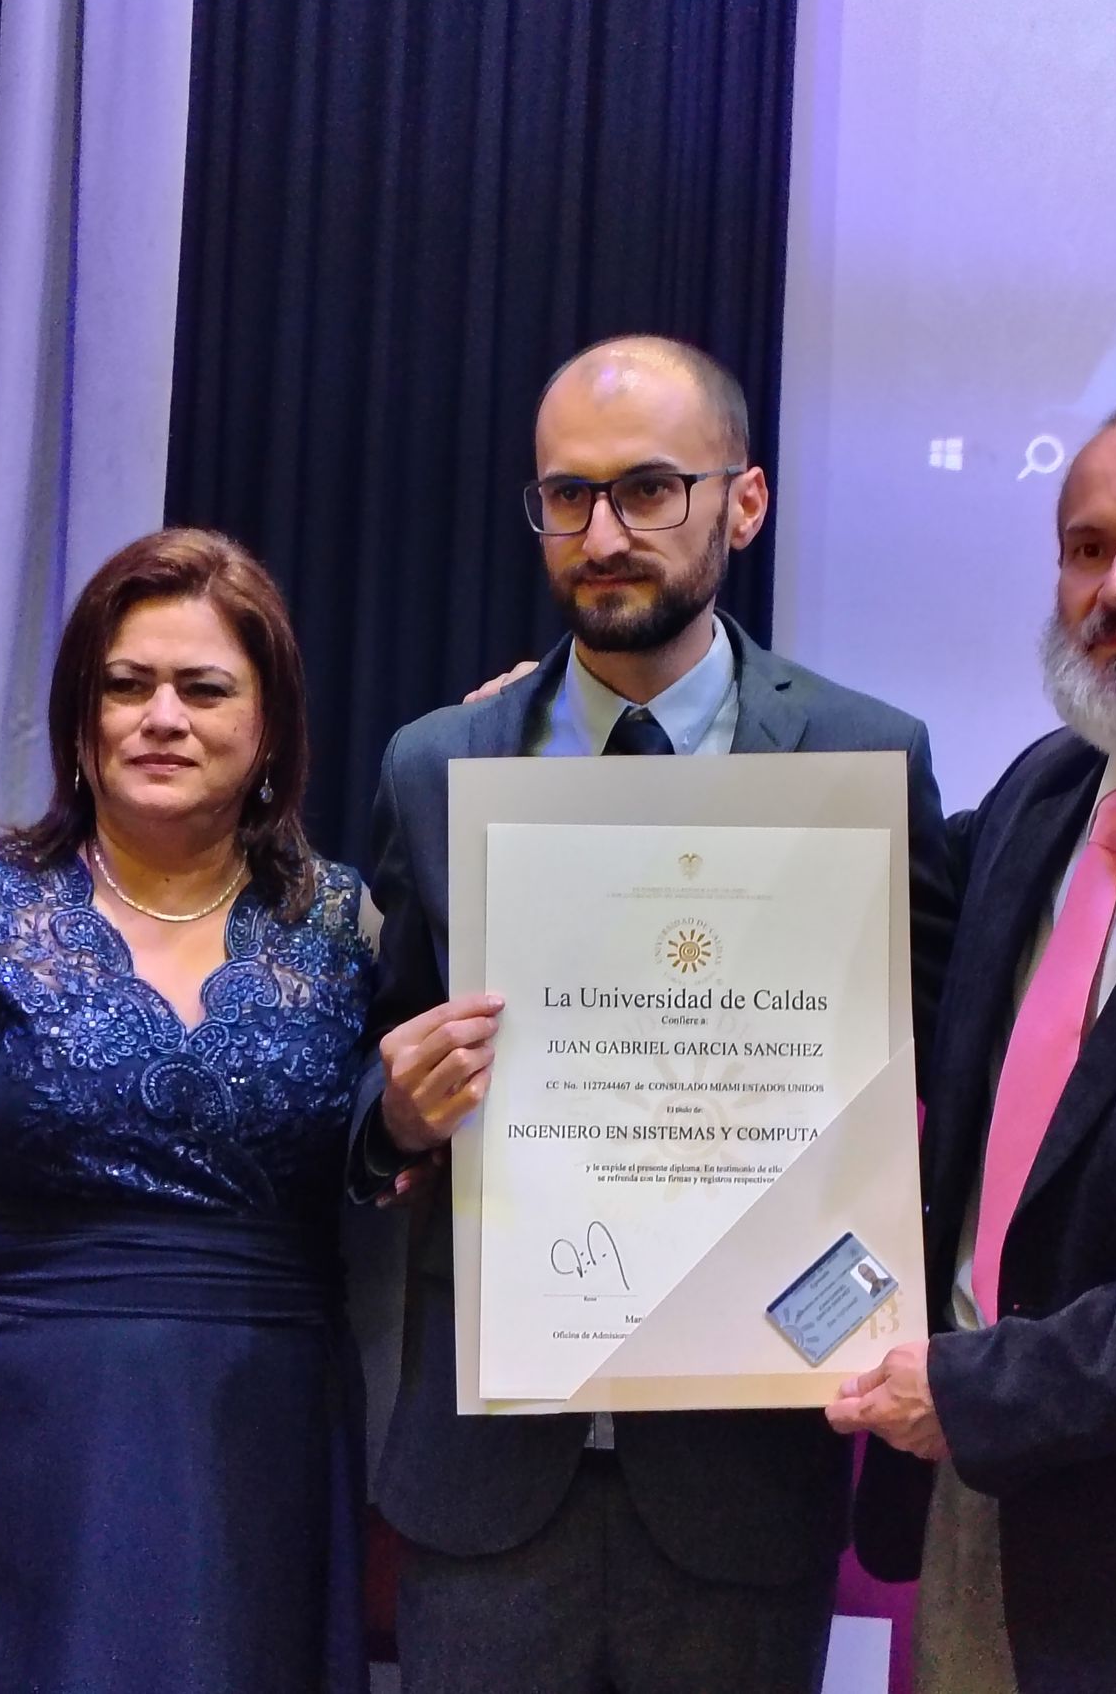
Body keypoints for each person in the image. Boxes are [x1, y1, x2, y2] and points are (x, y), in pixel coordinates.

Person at [352, 335, 955, 1693]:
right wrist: (394, 1113)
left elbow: (932, 1068)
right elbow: (371, 1074)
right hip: (488, 1478)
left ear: (743, 502)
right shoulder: (437, 763)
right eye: (567, 495)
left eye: (647, 489)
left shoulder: (865, 755)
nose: (603, 533)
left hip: (743, 1479)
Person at [0, 528, 384, 1692]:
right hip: (0, 1463)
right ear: (81, 720)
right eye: (125, 685)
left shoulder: (349, 928)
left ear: (270, 724)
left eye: (203, 688)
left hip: (261, 1461)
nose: (161, 717)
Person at [833, 396, 1116, 1693]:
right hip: (976, 1512)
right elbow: (800, 904)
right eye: (1086, 548)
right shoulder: (1042, 796)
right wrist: (571, 745)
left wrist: (991, 1393)